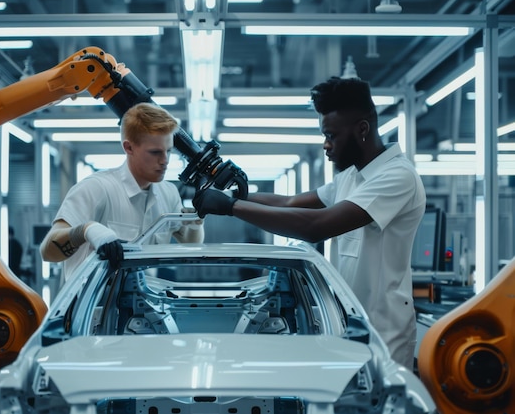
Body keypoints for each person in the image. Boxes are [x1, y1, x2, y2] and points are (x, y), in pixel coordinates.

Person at [192, 76, 426, 370]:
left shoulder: (397, 177)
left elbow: (318, 225)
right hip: (349, 327)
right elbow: (290, 202)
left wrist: (232, 207)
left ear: (362, 129)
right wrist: (241, 192)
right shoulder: (351, 177)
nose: (326, 145)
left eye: (331, 136)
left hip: (383, 337)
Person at [40, 102, 204, 283]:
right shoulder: (97, 188)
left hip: (146, 304)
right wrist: (85, 230)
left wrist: (195, 224)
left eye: (169, 151)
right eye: (155, 152)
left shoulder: (169, 193)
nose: (165, 161)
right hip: (95, 309)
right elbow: (48, 252)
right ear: (129, 148)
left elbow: (191, 245)